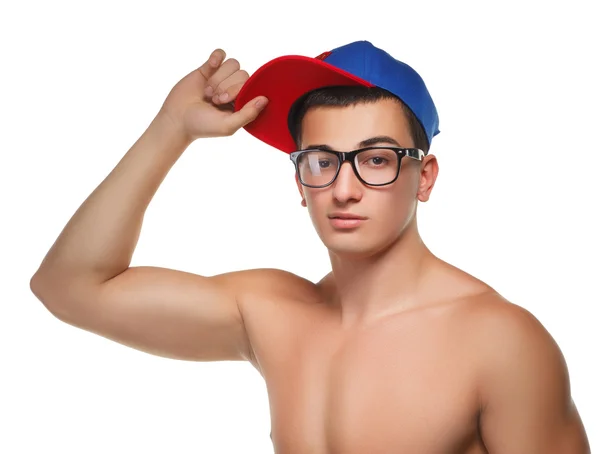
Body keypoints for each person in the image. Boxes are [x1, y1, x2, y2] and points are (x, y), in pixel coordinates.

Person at [30, 40, 590, 453]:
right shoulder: (271, 313)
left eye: (376, 160)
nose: (344, 190)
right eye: (322, 161)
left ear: (424, 177)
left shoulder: (501, 343)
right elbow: (68, 286)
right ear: (299, 182)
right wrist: (171, 126)